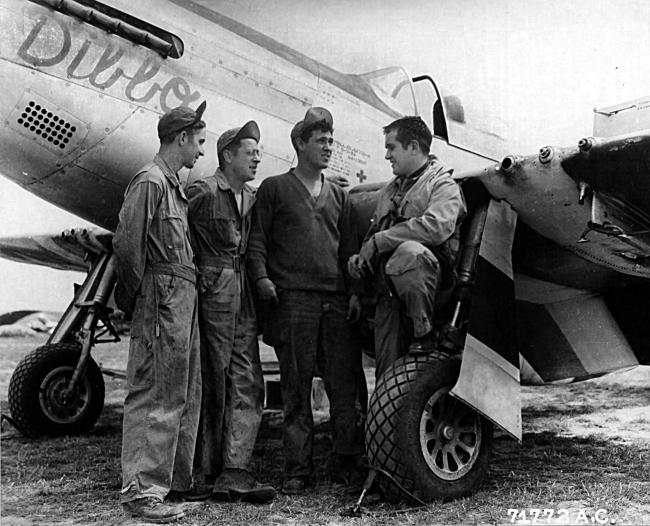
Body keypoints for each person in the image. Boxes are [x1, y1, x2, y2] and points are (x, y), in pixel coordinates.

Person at [248, 107, 365, 495]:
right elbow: (257, 241)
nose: (329, 147)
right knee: (296, 390)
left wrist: (352, 295)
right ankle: (299, 470)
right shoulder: (274, 188)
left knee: (342, 387)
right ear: (300, 144)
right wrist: (263, 279)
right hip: (292, 301)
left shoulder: (338, 196)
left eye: (331, 141)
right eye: (321, 141)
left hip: (334, 302)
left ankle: (346, 462)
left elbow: (348, 249)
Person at [113, 102, 207, 523]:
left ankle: (167, 486)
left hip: (180, 297)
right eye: (199, 142)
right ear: (182, 138)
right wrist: (138, 300)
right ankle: (140, 491)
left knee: (181, 392)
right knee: (154, 393)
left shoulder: (174, 186)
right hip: (161, 298)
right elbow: (128, 246)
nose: (201, 153)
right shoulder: (150, 182)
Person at [186, 121, 276, 503]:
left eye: (258, 152)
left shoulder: (253, 198)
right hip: (212, 288)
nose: (257, 158)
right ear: (227, 156)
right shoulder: (202, 191)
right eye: (249, 152)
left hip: (242, 293)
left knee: (248, 380)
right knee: (210, 378)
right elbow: (172, 231)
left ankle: (235, 470)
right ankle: (203, 472)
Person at [348, 116, 466, 379]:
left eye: (392, 147)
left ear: (413, 147)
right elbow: (374, 233)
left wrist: (380, 242)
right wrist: (360, 257)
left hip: (428, 284)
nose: (387, 155)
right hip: (388, 290)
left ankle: (422, 332)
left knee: (408, 253)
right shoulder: (390, 191)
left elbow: (436, 227)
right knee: (386, 374)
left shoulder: (442, 184)